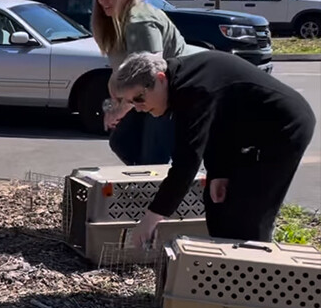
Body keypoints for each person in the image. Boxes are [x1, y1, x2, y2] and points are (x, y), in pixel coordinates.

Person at [107, 51, 315, 246]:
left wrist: (152, 216)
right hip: (245, 133)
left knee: (251, 211)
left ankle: (255, 271)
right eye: (130, 103)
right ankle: (224, 265)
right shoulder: (181, 83)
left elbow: (186, 162)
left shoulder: (193, 89)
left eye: (139, 98)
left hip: (284, 128)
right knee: (217, 204)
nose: (139, 108)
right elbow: (217, 129)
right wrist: (219, 174)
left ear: (160, 78)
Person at [91, 0, 204, 165]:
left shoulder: (139, 22)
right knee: (121, 141)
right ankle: (146, 184)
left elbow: (148, 76)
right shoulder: (115, 21)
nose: (103, 1)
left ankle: (159, 187)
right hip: (146, 92)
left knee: (153, 158)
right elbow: (122, 72)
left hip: (170, 93)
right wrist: (112, 105)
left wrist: (120, 109)